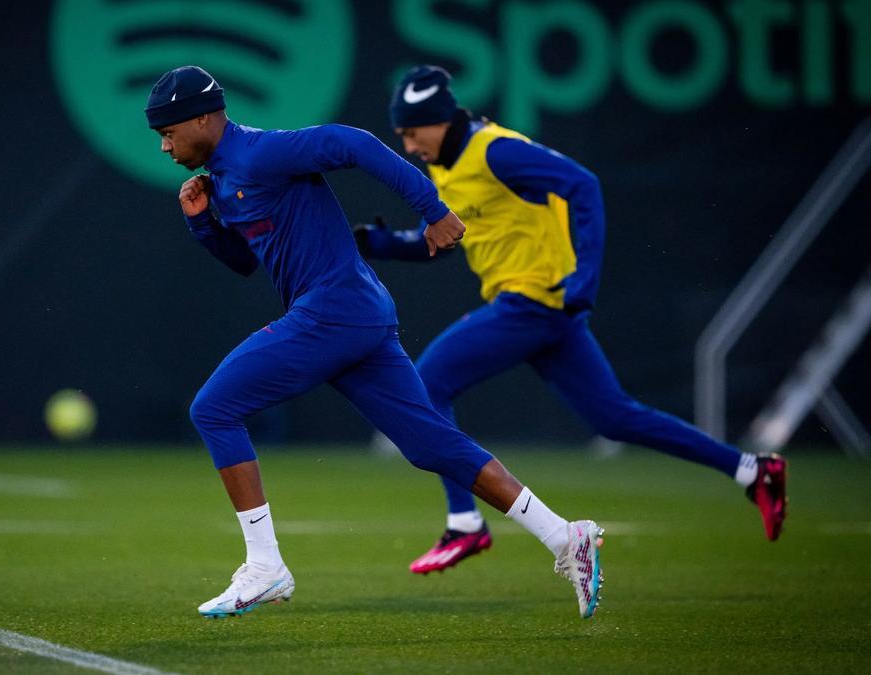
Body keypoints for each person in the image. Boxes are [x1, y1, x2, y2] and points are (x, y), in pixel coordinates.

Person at [145, 65, 604, 619]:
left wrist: (433, 210)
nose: (166, 147)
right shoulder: (221, 180)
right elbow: (245, 262)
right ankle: (564, 536)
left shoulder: (259, 154)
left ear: (202, 118)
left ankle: (265, 566)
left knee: (215, 408)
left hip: (334, 310)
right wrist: (202, 223)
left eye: (169, 133)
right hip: (355, 314)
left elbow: (353, 143)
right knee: (430, 446)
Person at [355, 65, 788, 576]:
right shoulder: (446, 165)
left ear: (439, 120)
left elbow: (583, 185)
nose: (408, 146)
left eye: (411, 132)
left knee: (426, 386)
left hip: (533, 304)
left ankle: (466, 522)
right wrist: (390, 244)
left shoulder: (495, 149)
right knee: (615, 418)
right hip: (541, 311)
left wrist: (586, 277)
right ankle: (751, 470)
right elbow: (451, 240)